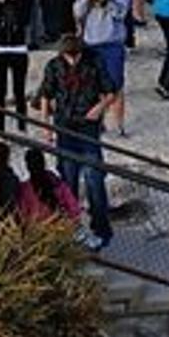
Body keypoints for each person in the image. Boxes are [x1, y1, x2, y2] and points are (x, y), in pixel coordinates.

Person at [36, 33, 117, 250]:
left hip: (88, 126)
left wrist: (99, 108)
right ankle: (70, 228)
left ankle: (101, 228)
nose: (71, 60)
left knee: (94, 178)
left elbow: (111, 91)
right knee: (67, 180)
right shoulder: (54, 65)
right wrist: (46, 125)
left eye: (75, 56)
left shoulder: (94, 61)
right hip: (64, 125)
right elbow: (45, 94)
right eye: (67, 56)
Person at [73, 0, 131, 135]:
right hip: (91, 41)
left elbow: (121, 13)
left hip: (112, 42)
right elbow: (77, 12)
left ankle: (119, 125)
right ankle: (98, 123)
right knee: (93, 86)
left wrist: (106, 1)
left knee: (115, 85)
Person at [17, 145, 83, 225]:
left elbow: (74, 210)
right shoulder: (25, 189)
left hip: (61, 227)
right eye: (32, 164)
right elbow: (23, 216)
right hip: (38, 230)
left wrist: (68, 222)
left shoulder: (58, 185)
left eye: (37, 163)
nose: (35, 167)